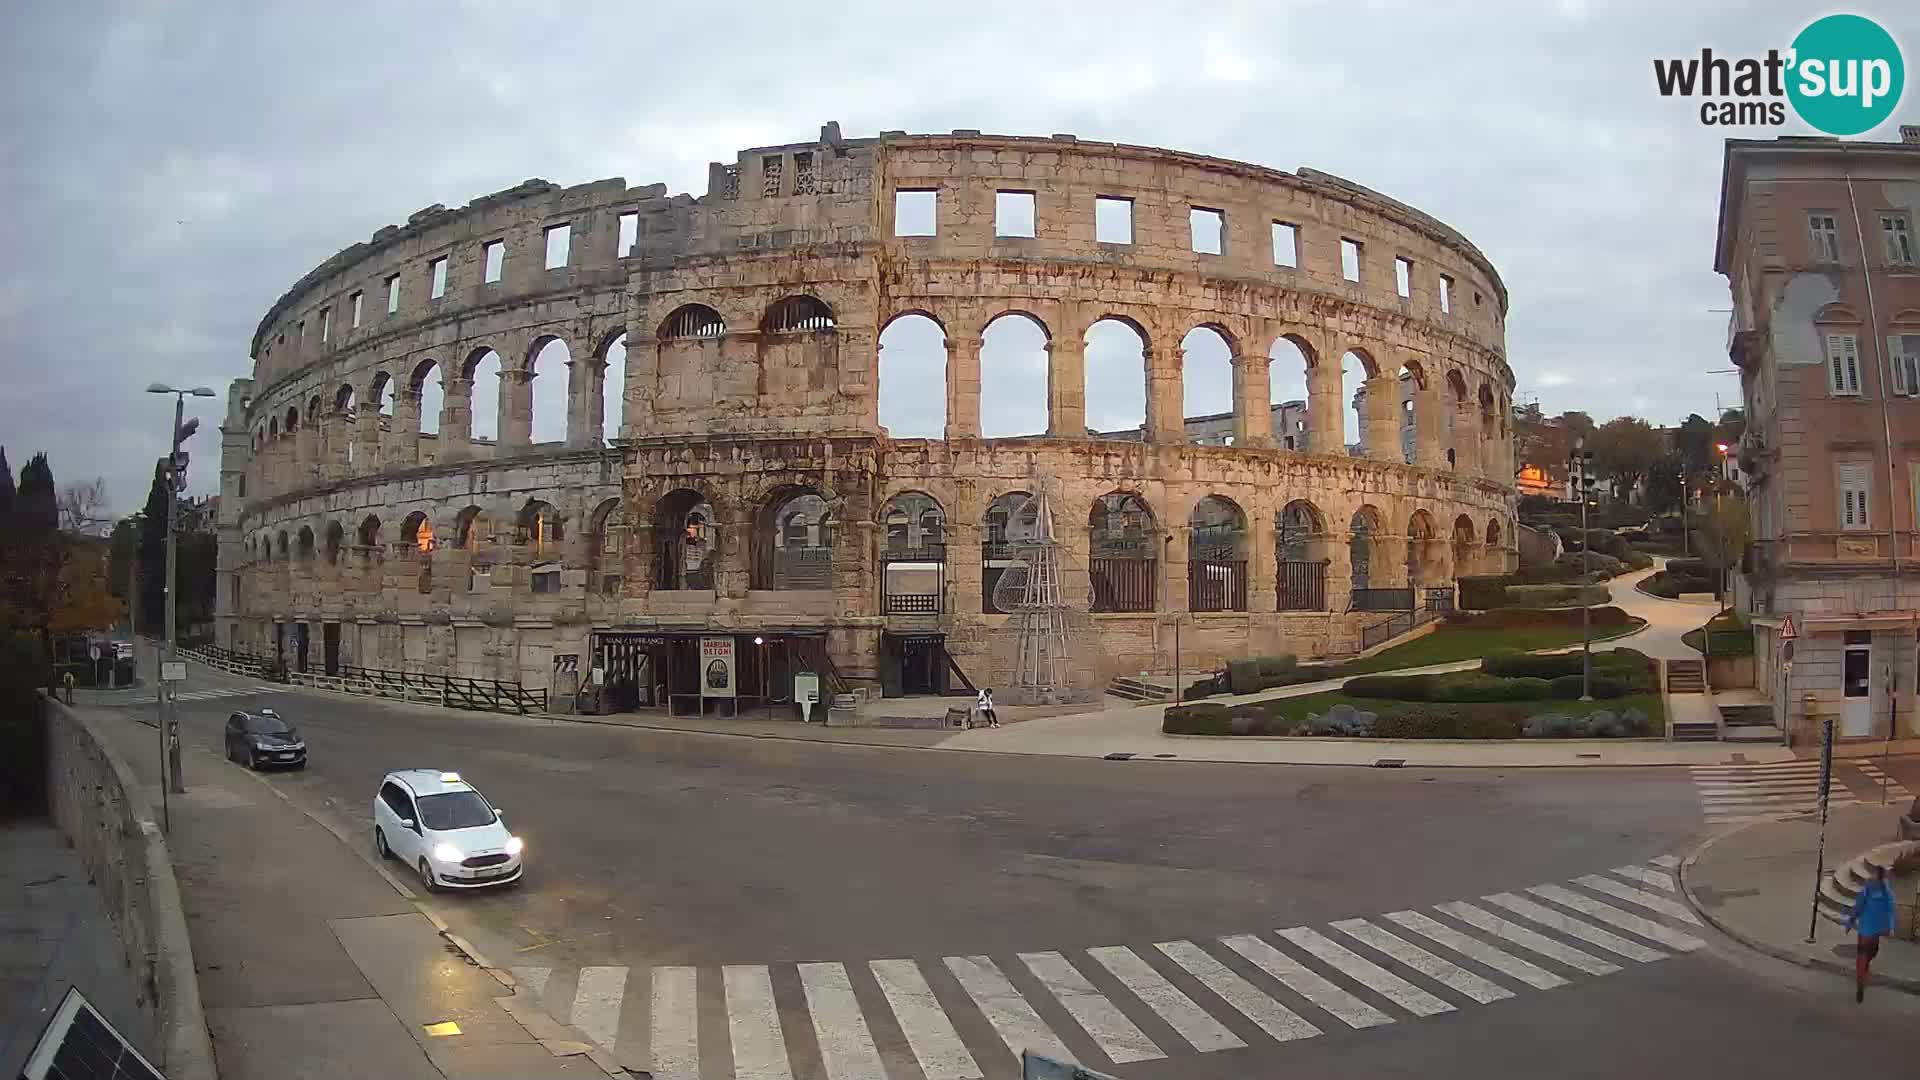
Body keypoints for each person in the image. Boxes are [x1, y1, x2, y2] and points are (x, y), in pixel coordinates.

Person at [1845, 861, 1896, 1003]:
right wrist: (1891, 927)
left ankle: (1861, 980)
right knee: (1869, 954)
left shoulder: (1868, 889)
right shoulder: (1887, 892)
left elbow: (1858, 906)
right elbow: (1891, 910)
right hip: (1874, 930)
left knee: (1863, 954)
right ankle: (1862, 977)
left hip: (1865, 929)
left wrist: (1850, 922)